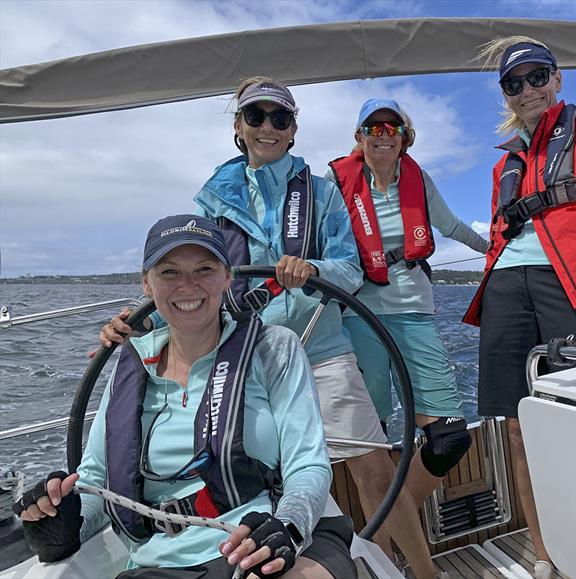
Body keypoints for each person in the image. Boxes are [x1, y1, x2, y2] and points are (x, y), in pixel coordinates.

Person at [100, 79, 443, 579]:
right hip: (240, 359)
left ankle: (421, 573)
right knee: (245, 470)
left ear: (293, 129)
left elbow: (352, 268)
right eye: (255, 117)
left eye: (279, 119)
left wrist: (313, 270)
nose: (268, 127)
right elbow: (190, 279)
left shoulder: (321, 193)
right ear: (239, 127)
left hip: (319, 347)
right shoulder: (214, 200)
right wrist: (134, 322)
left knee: (373, 469)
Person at [15, 215, 354, 578]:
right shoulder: (130, 368)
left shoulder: (273, 349)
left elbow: (307, 465)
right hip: (158, 560)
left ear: (227, 277)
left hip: (267, 536)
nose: (188, 286)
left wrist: (287, 527)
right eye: (170, 272)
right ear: (147, 284)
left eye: (204, 269)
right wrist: (62, 518)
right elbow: (97, 481)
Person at [463, 38, 576, 579]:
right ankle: (547, 553)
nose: (528, 90)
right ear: (506, 94)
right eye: (513, 84)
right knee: (519, 423)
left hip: (571, 283)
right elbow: (501, 231)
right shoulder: (504, 166)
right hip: (504, 287)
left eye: (537, 76)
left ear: (557, 78)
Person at [328, 99, 489, 512]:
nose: (383, 136)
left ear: (404, 138)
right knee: (372, 437)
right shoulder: (335, 182)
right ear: (358, 137)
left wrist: (495, 250)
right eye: (373, 128)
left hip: (414, 308)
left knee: (451, 436)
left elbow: (451, 226)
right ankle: (382, 545)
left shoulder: (418, 179)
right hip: (358, 313)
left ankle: (398, 516)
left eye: (392, 128)